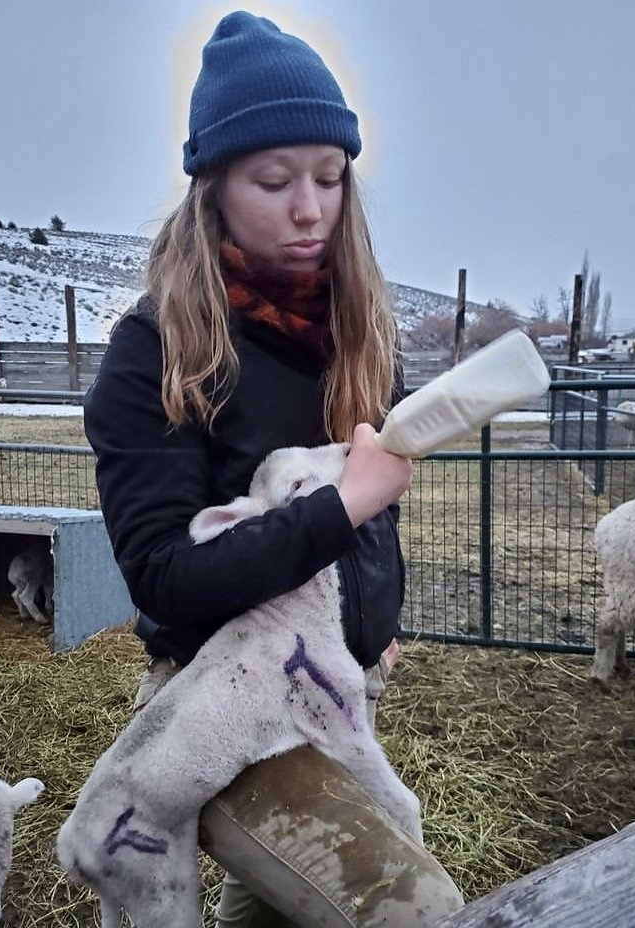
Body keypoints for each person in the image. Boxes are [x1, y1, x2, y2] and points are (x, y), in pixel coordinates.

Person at [83, 10, 462, 927]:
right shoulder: (156, 356)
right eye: (274, 179)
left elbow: (376, 514)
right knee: (405, 907)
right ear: (213, 185)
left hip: (336, 683)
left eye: (330, 177)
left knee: (277, 912)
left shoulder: (356, 334)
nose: (309, 209)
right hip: (223, 706)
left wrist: (376, 616)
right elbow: (168, 581)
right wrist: (342, 506)